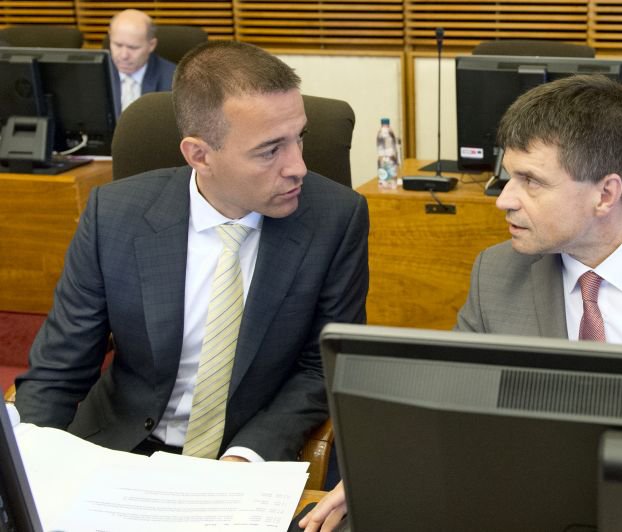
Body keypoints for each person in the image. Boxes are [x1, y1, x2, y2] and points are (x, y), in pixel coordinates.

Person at [299, 74, 622, 530]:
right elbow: (450, 410)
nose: (504, 199)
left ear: (606, 194)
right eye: (508, 176)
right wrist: (386, 470)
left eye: (531, 181)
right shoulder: (498, 274)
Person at [15, 41, 369, 464]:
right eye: (271, 150)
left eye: (300, 138)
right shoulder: (113, 215)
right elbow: (59, 367)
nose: (298, 167)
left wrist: (245, 456)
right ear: (199, 155)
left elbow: (323, 365)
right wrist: (27, 462)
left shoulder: (336, 219)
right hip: (120, 447)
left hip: (244, 453)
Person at [108, 9, 176, 116]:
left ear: (151, 45)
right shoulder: (94, 75)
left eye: (132, 48)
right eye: (118, 45)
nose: (124, 55)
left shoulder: (173, 80)